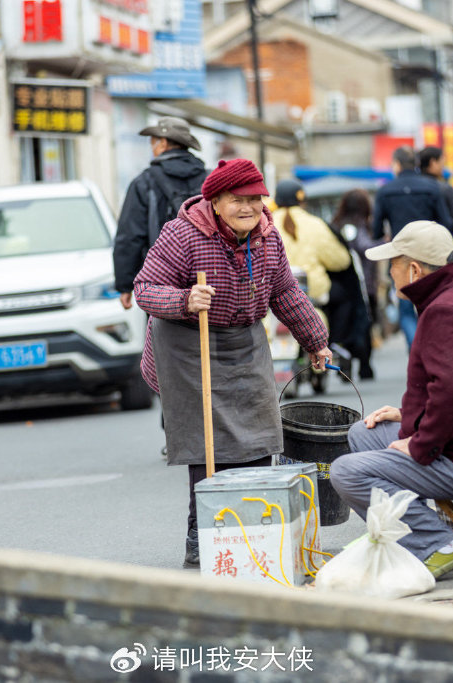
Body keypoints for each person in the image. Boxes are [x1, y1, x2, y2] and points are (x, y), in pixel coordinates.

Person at [133, 159, 332, 568]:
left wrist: (316, 341)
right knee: (206, 443)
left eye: (255, 200)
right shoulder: (183, 234)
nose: (249, 208)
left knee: (259, 430)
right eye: (238, 200)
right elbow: (145, 289)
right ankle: (201, 532)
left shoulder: (267, 237)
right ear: (216, 201)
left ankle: (253, 526)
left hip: (243, 337)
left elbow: (286, 293)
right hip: (189, 340)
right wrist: (183, 299)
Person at [330, 221, 453, 579]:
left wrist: (419, 446)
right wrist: (407, 415)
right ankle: (427, 529)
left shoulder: (443, 311)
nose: (389, 271)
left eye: (393, 263)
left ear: (413, 269)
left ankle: (439, 542)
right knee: (363, 433)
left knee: (345, 472)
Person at [114, 116, 208, 310]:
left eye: (153, 143)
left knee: (166, 337)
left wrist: (125, 285)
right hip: (210, 276)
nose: (152, 148)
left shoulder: (144, 182)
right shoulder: (210, 178)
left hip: (163, 282)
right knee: (213, 333)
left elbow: (130, 236)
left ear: (163, 143)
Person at [373, 146, 452, 348]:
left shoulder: (385, 191)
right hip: (430, 255)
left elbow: (376, 230)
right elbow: (446, 223)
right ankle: (432, 349)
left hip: (402, 255)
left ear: (397, 165)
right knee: (432, 304)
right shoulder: (432, 188)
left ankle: (417, 351)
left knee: (407, 309)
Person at [272, 179, 351, 307]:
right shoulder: (316, 224)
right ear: (302, 201)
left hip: (272, 297)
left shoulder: (265, 224)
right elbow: (341, 261)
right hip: (312, 295)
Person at [330, 189, 381, 379]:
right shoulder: (360, 226)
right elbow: (366, 247)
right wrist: (383, 245)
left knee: (344, 325)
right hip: (364, 285)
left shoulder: (336, 225)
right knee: (364, 324)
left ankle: (346, 364)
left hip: (341, 285)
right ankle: (365, 366)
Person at [418, 146, 453, 251]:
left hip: (418, 250)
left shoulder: (412, 189)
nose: (443, 166)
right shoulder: (445, 189)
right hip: (444, 250)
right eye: (441, 162)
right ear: (433, 163)